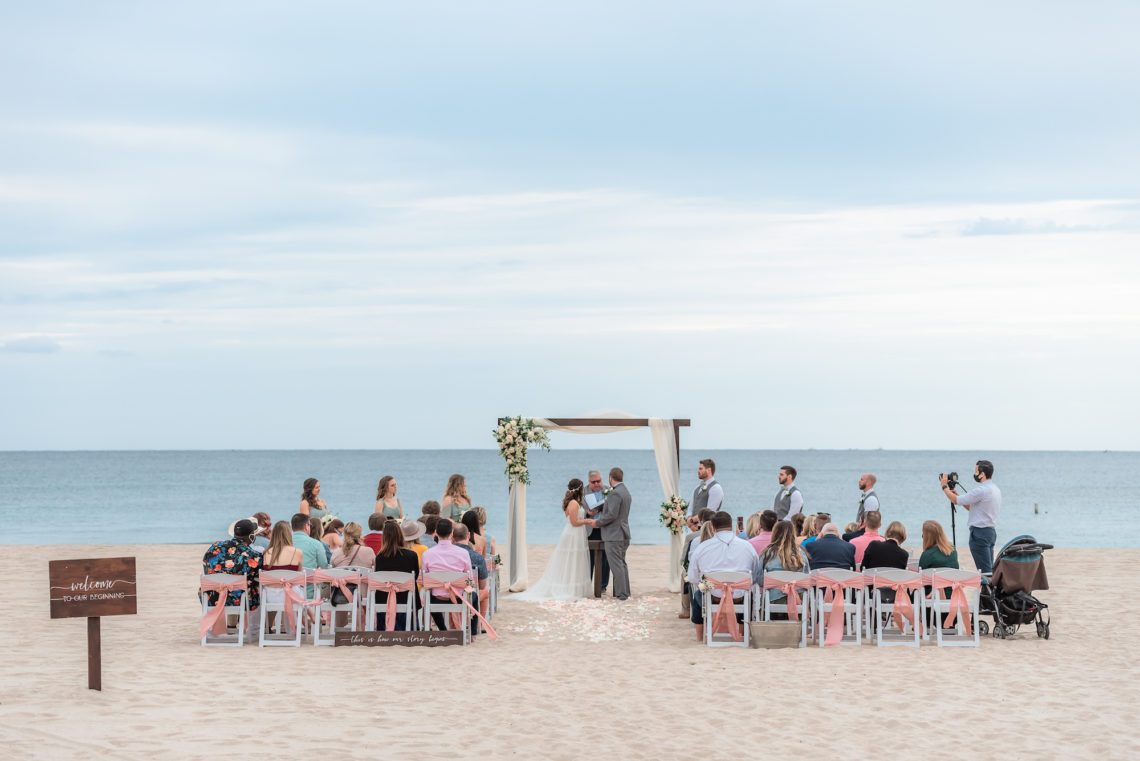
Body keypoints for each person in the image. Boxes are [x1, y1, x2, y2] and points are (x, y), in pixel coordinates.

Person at [512, 478, 594, 601]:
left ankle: (574, 587)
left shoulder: (575, 502)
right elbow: (574, 522)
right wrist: (587, 521)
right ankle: (568, 588)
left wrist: (587, 514)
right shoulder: (574, 503)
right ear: (580, 489)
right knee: (570, 561)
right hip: (573, 534)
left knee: (574, 561)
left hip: (576, 534)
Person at [687, 512, 760, 641]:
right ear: (731, 526)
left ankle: (700, 637)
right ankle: (742, 634)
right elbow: (754, 577)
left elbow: (692, 578)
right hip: (739, 597)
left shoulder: (702, 547)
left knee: (698, 594)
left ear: (713, 528)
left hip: (713, 597)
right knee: (748, 594)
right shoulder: (747, 547)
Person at [941, 460, 1001, 574]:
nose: (974, 474)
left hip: (979, 534)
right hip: (990, 532)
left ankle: (987, 590)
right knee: (989, 569)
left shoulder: (981, 490)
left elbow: (955, 500)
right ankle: (990, 590)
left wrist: (944, 487)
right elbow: (971, 507)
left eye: (976, 471)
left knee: (984, 571)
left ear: (982, 474)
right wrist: (957, 495)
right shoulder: (995, 489)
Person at [202, 518, 262, 617]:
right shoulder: (254, 556)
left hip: (211, 597)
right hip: (240, 600)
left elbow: (206, 569)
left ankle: (231, 624)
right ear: (251, 536)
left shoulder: (215, 547)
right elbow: (256, 578)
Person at [421, 518, 473, 630]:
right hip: (459, 597)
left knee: (427, 595)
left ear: (436, 532)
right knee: (474, 596)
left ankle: (443, 629)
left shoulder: (427, 554)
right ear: (452, 533)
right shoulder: (464, 553)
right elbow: (470, 579)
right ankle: (471, 632)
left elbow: (424, 580)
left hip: (437, 598)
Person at [373, 519, 420, 631]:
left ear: (384, 537)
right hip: (406, 598)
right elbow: (415, 578)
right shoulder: (412, 555)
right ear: (400, 535)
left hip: (384, 599)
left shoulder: (379, 558)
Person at [594, 467, 632, 601]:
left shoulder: (615, 494)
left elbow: (611, 515)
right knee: (622, 564)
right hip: (623, 532)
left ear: (610, 478)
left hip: (614, 535)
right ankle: (626, 592)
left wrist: (597, 523)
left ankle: (621, 594)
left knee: (617, 566)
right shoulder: (625, 491)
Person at [757, 520, 811, 613]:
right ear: (793, 534)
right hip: (799, 601)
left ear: (775, 533)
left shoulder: (767, 553)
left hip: (773, 600)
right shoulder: (801, 553)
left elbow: (760, 580)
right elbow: (807, 579)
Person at [259, 521, 303, 630]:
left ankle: (267, 627)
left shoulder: (266, 552)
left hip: (269, 596)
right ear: (289, 534)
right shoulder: (297, 552)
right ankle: (290, 627)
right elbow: (298, 575)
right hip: (290, 595)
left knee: (270, 589)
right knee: (297, 590)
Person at [678, 508, 716, 619]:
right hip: (719, 582)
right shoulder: (721, 537)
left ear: (700, 521)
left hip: (701, 580)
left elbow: (684, 560)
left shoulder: (692, 538)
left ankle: (686, 611)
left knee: (685, 574)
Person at [453, 523, 489, 634]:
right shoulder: (477, 557)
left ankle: (454, 625)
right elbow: (482, 585)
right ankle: (478, 624)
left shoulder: (447, 555)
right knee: (485, 592)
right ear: (468, 535)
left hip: (448, 593)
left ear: (452, 537)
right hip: (468, 595)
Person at [582, 469, 610, 594]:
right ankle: (587, 584)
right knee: (589, 559)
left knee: (605, 558)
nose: (597, 484)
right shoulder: (583, 492)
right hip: (590, 529)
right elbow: (576, 511)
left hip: (604, 528)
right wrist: (587, 513)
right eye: (594, 482)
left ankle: (603, 586)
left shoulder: (609, 490)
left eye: (599, 481)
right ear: (589, 482)